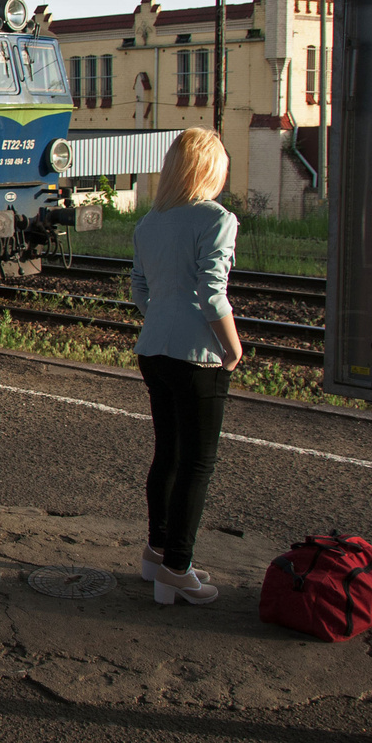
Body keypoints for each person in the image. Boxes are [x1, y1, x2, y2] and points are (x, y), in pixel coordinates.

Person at [130, 126, 243, 606]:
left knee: (168, 455)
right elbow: (211, 292)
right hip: (197, 356)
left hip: (152, 350)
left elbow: (139, 288)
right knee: (198, 463)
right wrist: (233, 349)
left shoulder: (150, 222)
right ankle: (178, 567)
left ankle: (156, 554)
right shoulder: (216, 219)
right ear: (210, 170)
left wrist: (159, 318)